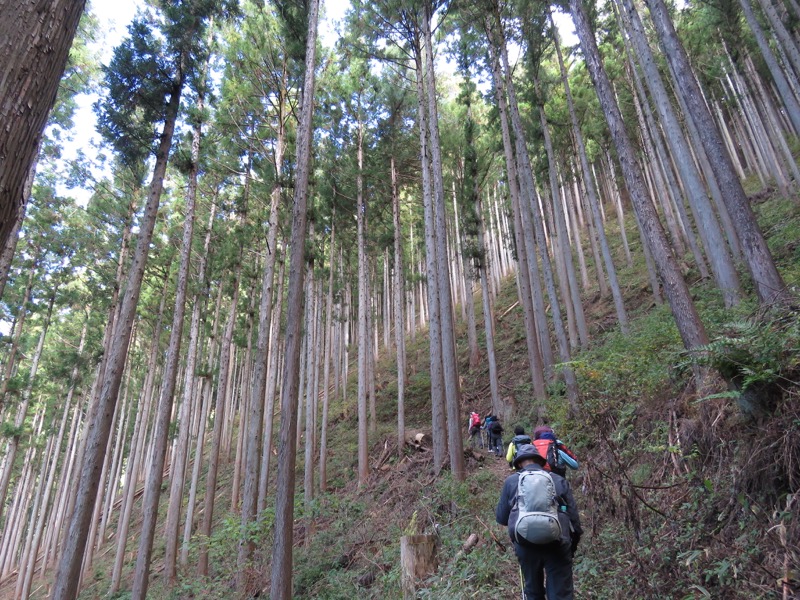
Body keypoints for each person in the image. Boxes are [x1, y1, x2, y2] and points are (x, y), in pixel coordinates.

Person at [496, 444, 583, 600]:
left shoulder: (511, 482)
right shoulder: (558, 479)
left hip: (525, 543)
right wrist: (572, 546)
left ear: (519, 463)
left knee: (533, 592)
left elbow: (502, 518)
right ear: (539, 460)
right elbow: (574, 519)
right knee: (560, 594)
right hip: (558, 542)